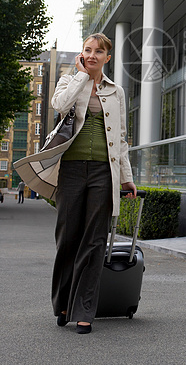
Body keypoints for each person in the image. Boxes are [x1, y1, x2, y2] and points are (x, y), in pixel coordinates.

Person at [50, 32, 136, 334]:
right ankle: (63, 302)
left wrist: (127, 178)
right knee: (67, 238)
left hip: (103, 171)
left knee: (95, 241)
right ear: (81, 54)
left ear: (107, 58)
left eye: (99, 52)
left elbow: (121, 138)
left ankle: (84, 309)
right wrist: (80, 77)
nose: (92, 55)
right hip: (71, 169)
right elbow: (59, 105)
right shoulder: (68, 82)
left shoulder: (116, 92)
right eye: (87, 50)